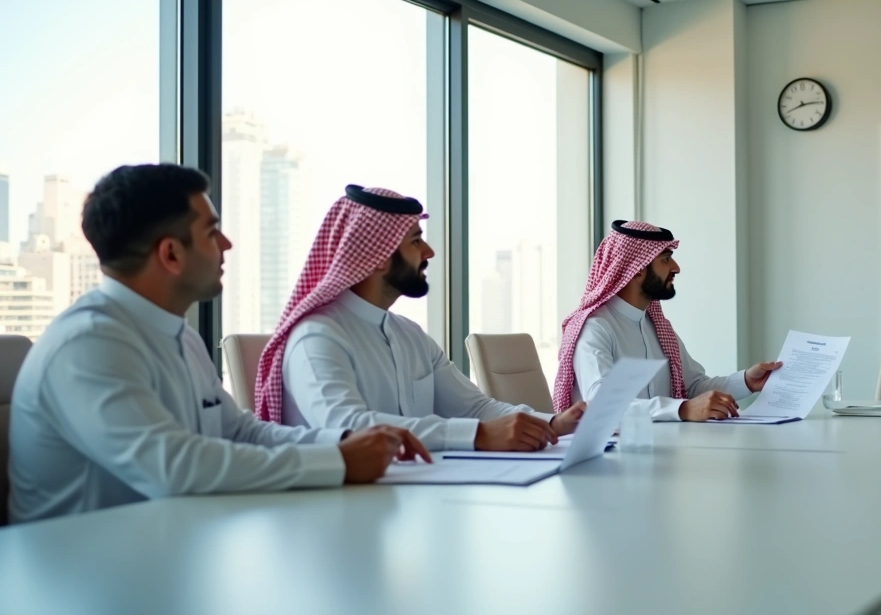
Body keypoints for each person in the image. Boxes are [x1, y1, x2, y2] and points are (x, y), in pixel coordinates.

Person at [8, 165, 429, 524]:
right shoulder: (88, 345)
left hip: (162, 549)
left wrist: (344, 441)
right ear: (171, 254)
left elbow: (241, 432)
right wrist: (339, 462)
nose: (227, 244)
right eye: (212, 232)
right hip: (84, 570)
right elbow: (174, 467)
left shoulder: (180, 337)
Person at [256, 185, 585, 452]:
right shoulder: (317, 337)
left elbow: (474, 408)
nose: (428, 252)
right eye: (415, 241)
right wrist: (478, 435)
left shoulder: (410, 334)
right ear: (377, 257)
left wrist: (552, 424)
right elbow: (348, 426)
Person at [552, 220, 782, 421]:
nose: (676, 268)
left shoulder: (657, 326)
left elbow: (692, 386)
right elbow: (602, 403)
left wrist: (746, 381)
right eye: (665, 259)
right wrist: (682, 409)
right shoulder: (594, 328)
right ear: (637, 269)